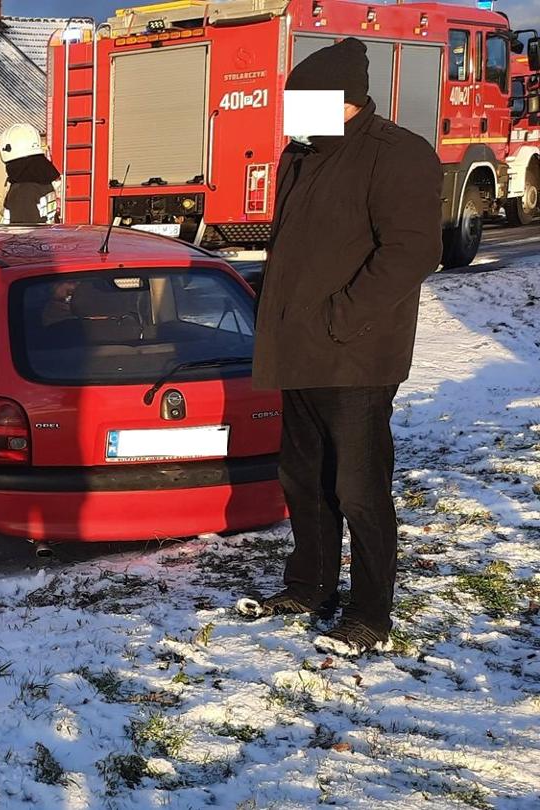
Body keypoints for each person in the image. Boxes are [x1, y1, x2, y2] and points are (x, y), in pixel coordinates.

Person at [236, 38, 442, 657]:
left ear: (341, 101)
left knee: (358, 488)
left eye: (299, 102)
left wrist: (340, 317)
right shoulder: (298, 155)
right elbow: (296, 250)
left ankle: (370, 612)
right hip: (297, 352)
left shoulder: (397, 155)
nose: (289, 113)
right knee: (302, 480)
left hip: (355, 356)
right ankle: (310, 586)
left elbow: (412, 251)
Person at [0, 123, 61, 225]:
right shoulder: (43, 182)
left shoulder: (23, 189)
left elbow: (24, 233)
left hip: (21, 240)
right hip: (46, 239)